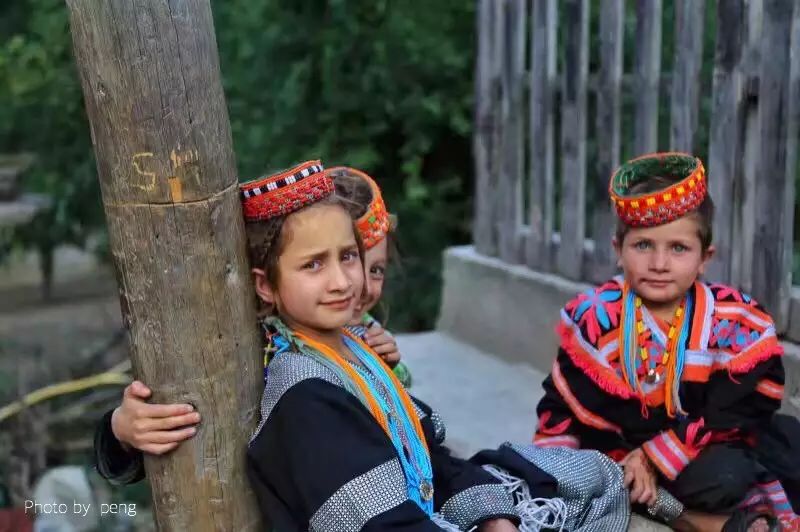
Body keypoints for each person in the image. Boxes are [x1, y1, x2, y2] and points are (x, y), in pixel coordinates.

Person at [533, 152, 800, 531]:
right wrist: (556, 472)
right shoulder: (596, 317)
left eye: (678, 248)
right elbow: (561, 408)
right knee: (578, 477)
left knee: (728, 473)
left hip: (700, 451)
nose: (659, 263)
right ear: (618, 250)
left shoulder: (736, 321)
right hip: (619, 454)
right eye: (643, 246)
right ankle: (714, 520)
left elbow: (736, 411)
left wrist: (657, 457)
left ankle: (681, 508)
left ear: (705, 258)